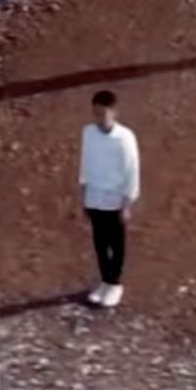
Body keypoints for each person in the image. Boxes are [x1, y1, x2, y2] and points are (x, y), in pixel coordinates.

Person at [78, 91, 139, 308]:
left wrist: (127, 202)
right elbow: (85, 162)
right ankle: (105, 281)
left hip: (115, 198)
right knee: (100, 243)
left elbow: (132, 171)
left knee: (116, 242)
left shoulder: (125, 137)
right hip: (95, 196)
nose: (99, 118)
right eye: (96, 113)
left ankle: (115, 283)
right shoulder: (88, 133)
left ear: (114, 112)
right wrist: (83, 193)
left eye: (103, 113)